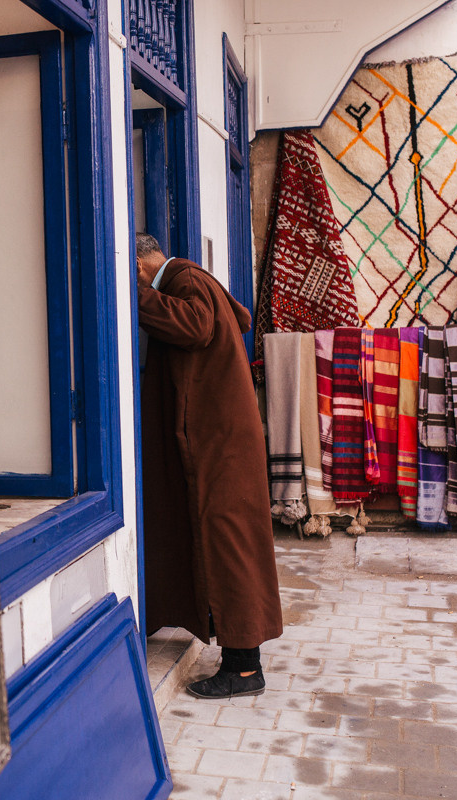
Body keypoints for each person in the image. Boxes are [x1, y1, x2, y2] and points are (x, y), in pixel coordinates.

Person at [135, 232, 284, 699]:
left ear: (141, 266)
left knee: (230, 545)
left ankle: (244, 669)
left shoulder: (186, 279)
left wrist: (135, 296)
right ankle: (235, 654)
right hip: (221, 440)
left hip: (221, 442)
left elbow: (195, 327)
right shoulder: (187, 280)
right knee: (223, 541)